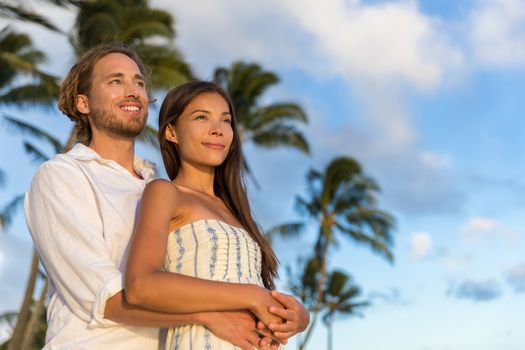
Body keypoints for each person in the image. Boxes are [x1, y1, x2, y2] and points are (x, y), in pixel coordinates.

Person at [24, 42, 307, 350]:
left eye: (139, 83)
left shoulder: (158, 187)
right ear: (83, 103)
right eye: (116, 81)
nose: (132, 91)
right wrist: (208, 315)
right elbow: (102, 297)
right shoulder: (62, 175)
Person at [124, 81, 309, 349]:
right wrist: (252, 296)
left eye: (226, 120)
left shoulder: (234, 210)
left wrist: (296, 316)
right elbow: (141, 285)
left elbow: (247, 290)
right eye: (201, 117)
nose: (217, 130)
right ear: (172, 132)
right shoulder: (165, 192)